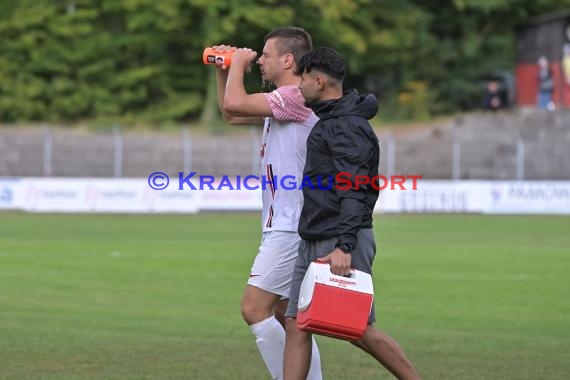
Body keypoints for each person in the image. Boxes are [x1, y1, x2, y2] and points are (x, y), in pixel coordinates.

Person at [283, 47, 421, 380]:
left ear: (318, 81)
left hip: (340, 239)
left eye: (302, 79)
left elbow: (354, 188)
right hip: (315, 235)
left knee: (357, 328)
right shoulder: (331, 119)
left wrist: (345, 245)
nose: (298, 86)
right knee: (296, 322)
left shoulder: (346, 126)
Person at [212, 27, 323, 380]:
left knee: (253, 307)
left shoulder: (294, 96)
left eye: (266, 54)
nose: (260, 59)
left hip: (290, 225)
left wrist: (237, 65)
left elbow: (234, 103)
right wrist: (223, 71)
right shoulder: (283, 99)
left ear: (288, 60)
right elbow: (232, 114)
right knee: (286, 315)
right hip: (285, 222)